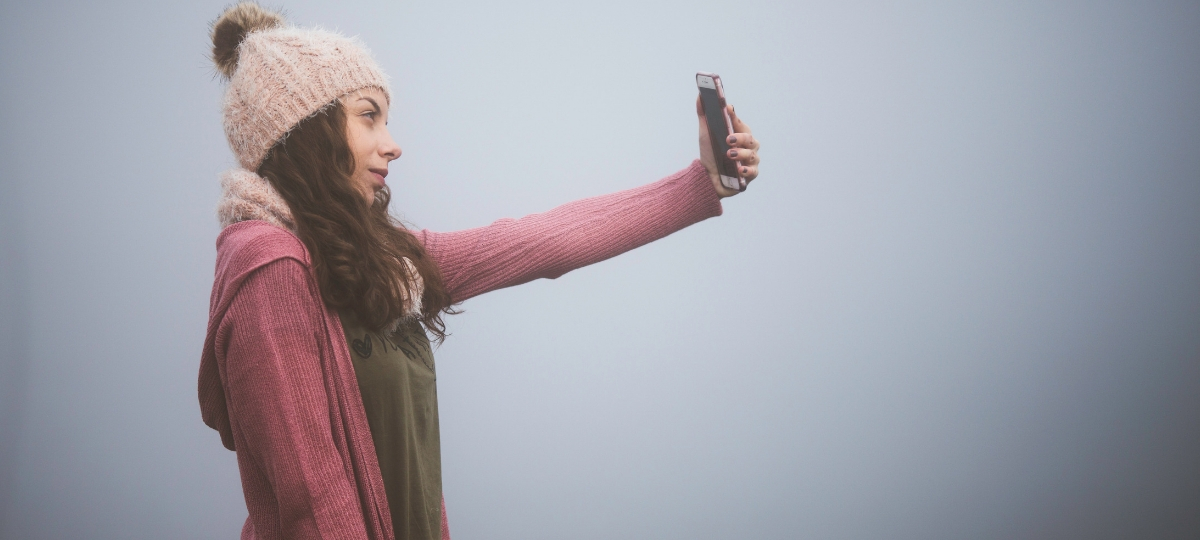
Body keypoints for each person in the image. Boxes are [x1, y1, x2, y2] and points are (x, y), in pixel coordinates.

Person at [197, 3, 762, 540]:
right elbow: (311, 502)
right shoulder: (268, 267)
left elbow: (540, 241)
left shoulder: (380, 262)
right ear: (306, 130)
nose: (392, 145)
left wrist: (703, 183)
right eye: (368, 117)